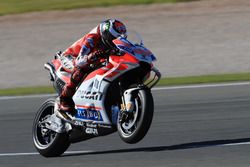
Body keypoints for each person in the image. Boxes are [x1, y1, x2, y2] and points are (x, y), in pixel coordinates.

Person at [57, 19, 127, 120]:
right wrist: (91, 56)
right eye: (113, 38)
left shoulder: (111, 41)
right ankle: (64, 99)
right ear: (105, 34)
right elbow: (80, 60)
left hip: (91, 59)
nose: (114, 42)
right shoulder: (92, 38)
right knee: (80, 69)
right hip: (71, 57)